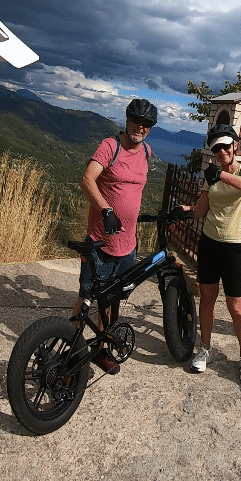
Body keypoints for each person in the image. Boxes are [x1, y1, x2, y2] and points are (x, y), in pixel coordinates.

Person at [70, 98, 158, 373]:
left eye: (145, 125)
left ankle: (99, 350)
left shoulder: (146, 152)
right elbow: (87, 179)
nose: (140, 127)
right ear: (127, 120)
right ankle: (70, 353)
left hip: (128, 246)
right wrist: (106, 210)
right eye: (136, 121)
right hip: (100, 243)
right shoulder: (111, 146)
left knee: (110, 302)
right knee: (86, 299)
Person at [183, 123, 241, 384]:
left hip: (237, 246)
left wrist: (222, 176)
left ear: (235, 146)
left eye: (226, 145)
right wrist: (185, 211)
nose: (221, 150)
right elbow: (201, 210)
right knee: (207, 298)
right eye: (216, 148)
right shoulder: (210, 175)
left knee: (236, 306)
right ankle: (205, 348)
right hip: (210, 243)